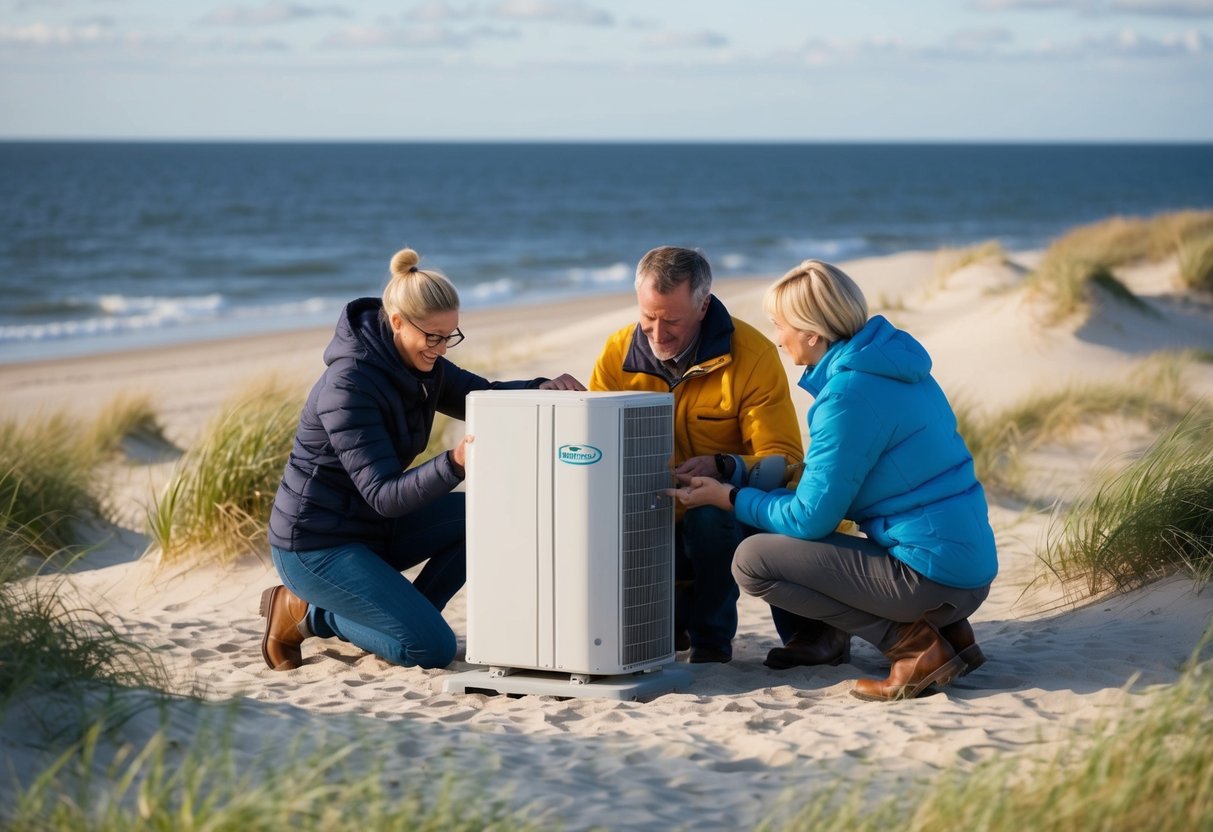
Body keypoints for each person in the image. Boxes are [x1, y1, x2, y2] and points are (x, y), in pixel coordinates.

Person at [666, 259, 997, 700]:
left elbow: (809, 519)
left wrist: (728, 497)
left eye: (779, 325)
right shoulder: (896, 369)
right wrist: (735, 469)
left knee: (752, 560)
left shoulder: (848, 395)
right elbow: (843, 475)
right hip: (967, 573)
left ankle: (914, 645)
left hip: (931, 579)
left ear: (811, 333)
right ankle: (952, 636)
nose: (777, 338)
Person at [260, 247, 583, 671]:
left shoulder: (425, 366)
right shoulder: (348, 387)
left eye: (450, 336)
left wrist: (540, 388)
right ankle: (306, 612)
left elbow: (482, 396)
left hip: (373, 531)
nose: (443, 348)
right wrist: (455, 462)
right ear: (397, 322)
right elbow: (384, 495)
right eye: (433, 336)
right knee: (428, 650)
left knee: (495, 516)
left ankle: (408, 619)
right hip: (316, 545)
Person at [589, 245, 808, 664]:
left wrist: (725, 466)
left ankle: (712, 647)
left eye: (671, 320)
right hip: (647, 517)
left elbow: (784, 461)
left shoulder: (754, 355)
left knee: (709, 517)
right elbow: (594, 448)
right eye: (647, 317)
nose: (657, 333)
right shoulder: (616, 354)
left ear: (703, 305)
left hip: (729, 513)